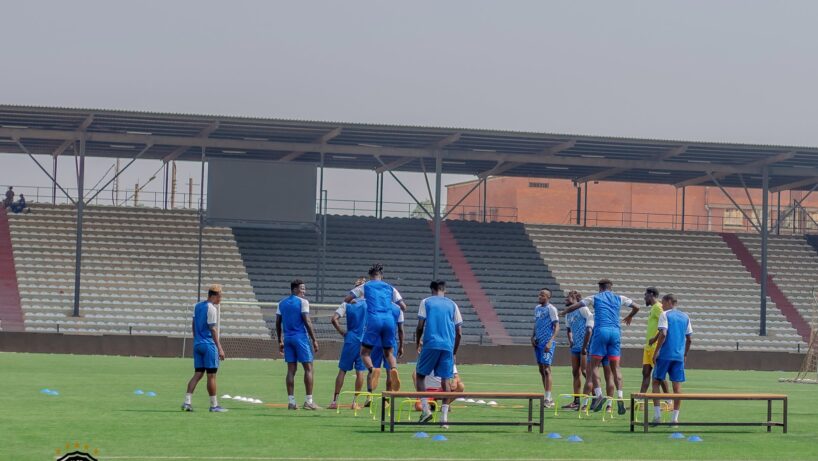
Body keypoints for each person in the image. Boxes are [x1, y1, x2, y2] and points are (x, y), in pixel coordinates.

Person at [562, 278, 639, 414]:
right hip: (615, 333)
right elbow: (637, 306)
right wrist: (630, 316)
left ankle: (598, 395)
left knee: (593, 366)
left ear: (600, 287)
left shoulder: (595, 298)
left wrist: (564, 312)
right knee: (615, 369)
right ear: (611, 287)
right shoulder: (619, 298)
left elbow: (577, 306)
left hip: (601, 332)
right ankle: (620, 397)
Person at [344, 263, 407, 393]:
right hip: (389, 320)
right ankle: (394, 369)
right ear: (381, 276)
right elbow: (403, 307)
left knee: (364, 352)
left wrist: (354, 301)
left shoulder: (365, 286)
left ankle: (373, 370)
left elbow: (347, 299)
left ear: (370, 276)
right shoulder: (390, 288)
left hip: (374, 320)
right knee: (389, 352)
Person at [415, 280, 463, 426]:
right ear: (444, 290)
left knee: (420, 375)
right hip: (448, 345)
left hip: (431, 343)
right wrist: (453, 351)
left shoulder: (426, 302)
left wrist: (418, 342)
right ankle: (444, 419)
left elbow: (420, 326)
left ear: (432, 289)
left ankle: (426, 410)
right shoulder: (453, 304)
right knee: (446, 380)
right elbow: (459, 332)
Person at [181, 284, 227, 412]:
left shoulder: (197, 306)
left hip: (198, 344)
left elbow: (193, 323)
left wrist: (196, 339)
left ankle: (187, 402)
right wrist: (220, 348)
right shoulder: (211, 308)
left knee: (197, 374)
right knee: (211, 376)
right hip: (208, 345)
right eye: (220, 296)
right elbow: (212, 329)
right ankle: (214, 405)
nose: (221, 299)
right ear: (214, 295)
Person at [276, 279, 320, 410]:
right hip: (300, 338)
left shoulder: (281, 303)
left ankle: (291, 402)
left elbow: (277, 323)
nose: (304, 291)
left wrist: (280, 340)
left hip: (288, 339)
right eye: (302, 289)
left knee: (291, 370)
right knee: (309, 368)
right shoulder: (303, 302)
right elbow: (307, 320)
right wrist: (314, 339)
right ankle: (309, 402)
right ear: (295, 289)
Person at [651, 293, 693, 426]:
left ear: (669, 301)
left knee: (656, 382)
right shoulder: (685, 317)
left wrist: (656, 352)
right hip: (679, 356)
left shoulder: (665, 315)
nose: (662, 306)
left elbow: (663, 334)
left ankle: (657, 416)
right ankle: (675, 419)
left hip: (665, 355)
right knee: (677, 387)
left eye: (663, 303)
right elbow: (689, 339)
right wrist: (685, 354)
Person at [328, 278, 368, 410]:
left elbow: (334, 319)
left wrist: (343, 333)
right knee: (360, 371)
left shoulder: (346, 304)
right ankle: (354, 402)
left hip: (350, 338)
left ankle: (334, 401)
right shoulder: (369, 304)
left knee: (342, 370)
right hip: (363, 340)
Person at [363, 302, 405, 406]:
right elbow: (400, 329)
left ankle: (369, 397)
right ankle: (386, 400)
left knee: (372, 369)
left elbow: (369, 324)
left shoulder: (375, 306)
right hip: (390, 342)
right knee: (389, 371)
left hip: (376, 341)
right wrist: (401, 345)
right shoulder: (397, 309)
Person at [563, 290, 592, 410]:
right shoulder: (568, 314)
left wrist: (586, 343)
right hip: (575, 347)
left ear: (576, 299)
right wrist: (570, 340)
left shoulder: (582, 309)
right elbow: (568, 329)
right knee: (575, 372)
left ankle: (596, 394)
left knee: (585, 371)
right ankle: (576, 401)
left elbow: (591, 323)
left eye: (569, 297)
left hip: (585, 345)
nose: (566, 299)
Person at [531, 288, 560, 409]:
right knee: (541, 369)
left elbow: (557, 326)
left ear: (548, 297)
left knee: (547, 369)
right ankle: (549, 397)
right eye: (539, 294)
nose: (540, 296)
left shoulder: (551, 309)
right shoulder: (537, 308)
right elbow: (536, 323)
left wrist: (550, 341)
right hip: (538, 342)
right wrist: (532, 336)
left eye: (542, 295)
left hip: (547, 342)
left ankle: (547, 398)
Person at [641, 287, 670, 394]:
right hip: (648, 347)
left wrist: (655, 339)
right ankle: (640, 401)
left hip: (655, 346)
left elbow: (665, 326)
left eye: (645, 295)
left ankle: (669, 401)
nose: (644, 298)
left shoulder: (658, 307)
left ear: (651, 295)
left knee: (659, 375)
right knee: (645, 373)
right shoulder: (653, 308)